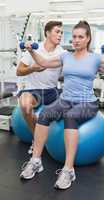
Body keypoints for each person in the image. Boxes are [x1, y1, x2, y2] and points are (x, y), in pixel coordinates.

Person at [20, 21, 104, 189]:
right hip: (65, 99)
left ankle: (69, 170)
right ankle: (36, 160)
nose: (76, 40)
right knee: (45, 114)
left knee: (71, 117)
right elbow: (45, 62)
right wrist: (31, 50)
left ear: (88, 39)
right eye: (74, 36)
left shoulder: (95, 58)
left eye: (80, 37)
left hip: (87, 102)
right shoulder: (65, 56)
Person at [16, 21, 64, 154]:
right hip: (33, 90)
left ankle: (55, 140)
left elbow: (65, 75)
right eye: (57, 31)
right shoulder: (34, 48)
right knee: (25, 106)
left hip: (53, 91)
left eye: (61, 32)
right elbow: (19, 71)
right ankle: (36, 140)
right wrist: (33, 68)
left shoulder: (63, 53)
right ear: (47, 33)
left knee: (70, 109)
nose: (60, 35)